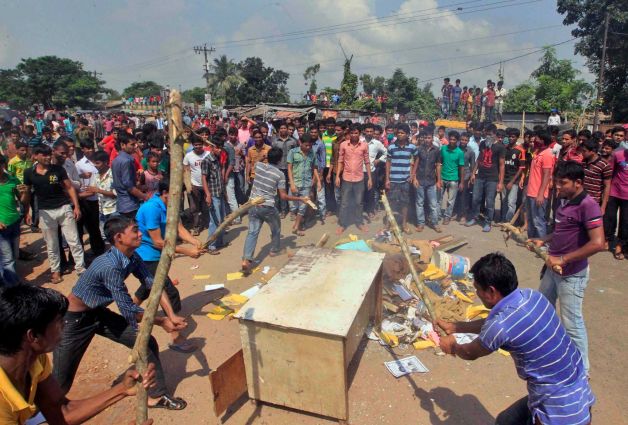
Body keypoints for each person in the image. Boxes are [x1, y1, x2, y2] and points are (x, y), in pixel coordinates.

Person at [438, 253, 595, 425]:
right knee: (505, 420)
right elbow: (492, 323)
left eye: (478, 289)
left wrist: (452, 346)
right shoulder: (532, 296)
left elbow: (470, 352)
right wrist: (455, 327)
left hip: (558, 407)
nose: (477, 293)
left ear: (491, 291)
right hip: (578, 386)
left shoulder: (501, 325)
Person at [52, 216, 187, 411]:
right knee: (60, 382)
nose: (140, 234)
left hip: (97, 313)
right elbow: (129, 309)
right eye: (135, 230)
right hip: (74, 321)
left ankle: (157, 395)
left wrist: (171, 316)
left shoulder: (133, 256)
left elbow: (153, 284)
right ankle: (31, 412)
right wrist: (161, 321)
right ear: (119, 238)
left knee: (146, 343)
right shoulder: (108, 266)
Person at [0, 285, 157, 425]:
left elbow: (62, 412)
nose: (64, 324)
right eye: (58, 321)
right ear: (33, 336)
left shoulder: (35, 359)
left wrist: (123, 389)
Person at [528, 161, 605, 374]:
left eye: (562, 182)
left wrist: (563, 259)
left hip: (571, 274)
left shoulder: (588, 205)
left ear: (578, 183)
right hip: (552, 269)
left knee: (572, 323)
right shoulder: (565, 201)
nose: (557, 186)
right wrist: (543, 240)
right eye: (556, 181)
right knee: (543, 309)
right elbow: (563, 230)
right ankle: (549, 351)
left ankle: (582, 370)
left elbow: (598, 243)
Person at [134, 179, 203, 353]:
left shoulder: (171, 206)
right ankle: (176, 338)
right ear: (164, 193)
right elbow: (157, 242)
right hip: (145, 257)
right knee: (169, 292)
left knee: (148, 286)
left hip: (158, 256)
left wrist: (194, 241)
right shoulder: (152, 208)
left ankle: (130, 313)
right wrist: (186, 251)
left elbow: (180, 228)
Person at [23, 145, 85, 284]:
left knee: (74, 241)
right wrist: (27, 212)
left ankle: (81, 268)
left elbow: (69, 187)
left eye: (49, 155)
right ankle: (55, 271)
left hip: (64, 207)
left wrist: (76, 206)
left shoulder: (58, 170)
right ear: (35, 156)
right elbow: (27, 194)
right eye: (44, 155)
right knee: (52, 244)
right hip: (45, 212)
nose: (47, 158)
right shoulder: (29, 173)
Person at [241, 147, 309, 273]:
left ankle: (246, 259)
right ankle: (274, 250)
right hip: (267, 207)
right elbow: (283, 196)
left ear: (268, 157)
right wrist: (300, 199)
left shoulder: (259, 166)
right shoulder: (280, 175)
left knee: (252, 232)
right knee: (276, 228)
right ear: (280, 160)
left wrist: (263, 156)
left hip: (252, 205)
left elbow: (255, 161)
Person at [467, 124, 505, 232]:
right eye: (486, 134)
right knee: (475, 198)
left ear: (495, 134)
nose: (488, 136)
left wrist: (500, 182)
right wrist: (473, 173)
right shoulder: (483, 144)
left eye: (490, 134)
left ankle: (488, 222)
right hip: (480, 176)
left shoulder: (500, 147)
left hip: (492, 179)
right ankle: (474, 217)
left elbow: (502, 165)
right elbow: (479, 159)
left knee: (489, 202)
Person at [336, 124, 372, 235]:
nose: (354, 135)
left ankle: (359, 223)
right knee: (344, 203)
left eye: (356, 133)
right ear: (349, 134)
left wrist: (370, 178)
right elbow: (340, 161)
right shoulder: (343, 145)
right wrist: (337, 176)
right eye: (352, 133)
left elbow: (367, 162)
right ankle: (343, 224)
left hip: (359, 179)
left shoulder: (364, 146)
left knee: (359, 203)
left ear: (359, 134)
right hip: (346, 178)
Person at [0, 155, 28, 287]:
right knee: (7, 259)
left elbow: (23, 201)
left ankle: (8, 282)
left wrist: (25, 193)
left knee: (14, 255)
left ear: (3, 165)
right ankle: (13, 288)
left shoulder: (13, 180)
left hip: (14, 222)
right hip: (2, 227)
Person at [75, 141, 105, 257]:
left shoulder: (99, 160)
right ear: (82, 149)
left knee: (99, 225)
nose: (90, 150)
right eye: (87, 148)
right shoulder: (79, 165)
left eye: (91, 147)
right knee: (92, 226)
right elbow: (76, 182)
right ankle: (96, 250)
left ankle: (100, 248)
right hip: (88, 199)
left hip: (101, 197)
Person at [287, 134, 320, 236]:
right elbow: (289, 168)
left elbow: (314, 168)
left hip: (306, 184)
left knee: (303, 206)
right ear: (300, 143)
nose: (308, 147)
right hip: (295, 183)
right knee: (293, 206)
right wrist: (292, 184)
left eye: (310, 145)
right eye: (306, 145)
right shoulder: (292, 152)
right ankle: (299, 221)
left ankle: (296, 226)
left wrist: (317, 181)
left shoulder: (312, 153)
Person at [525, 132, 555, 239]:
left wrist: (541, 194)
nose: (534, 141)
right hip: (531, 192)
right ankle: (531, 240)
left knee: (538, 220)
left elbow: (547, 175)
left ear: (543, 140)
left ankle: (541, 243)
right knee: (531, 219)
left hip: (538, 194)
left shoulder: (547, 154)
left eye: (536, 139)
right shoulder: (538, 152)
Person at [411, 130, 440, 233]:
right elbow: (415, 164)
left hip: (431, 181)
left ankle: (435, 223)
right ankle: (420, 223)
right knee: (419, 203)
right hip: (420, 180)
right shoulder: (419, 149)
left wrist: (438, 181)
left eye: (429, 138)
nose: (427, 140)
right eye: (425, 138)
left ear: (432, 138)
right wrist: (414, 178)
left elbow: (438, 165)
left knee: (433, 204)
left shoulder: (436, 150)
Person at [112, 133, 147, 218]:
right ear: (123, 145)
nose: (135, 146)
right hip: (130, 205)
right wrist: (145, 197)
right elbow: (129, 187)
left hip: (122, 203)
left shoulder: (116, 160)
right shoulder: (127, 161)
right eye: (132, 144)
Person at [202, 139, 228, 254]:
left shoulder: (217, 158)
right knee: (214, 220)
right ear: (212, 147)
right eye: (217, 147)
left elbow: (219, 177)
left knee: (221, 219)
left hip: (220, 192)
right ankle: (211, 245)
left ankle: (219, 242)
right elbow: (203, 178)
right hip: (213, 194)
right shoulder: (207, 161)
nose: (219, 150)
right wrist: (208, 195)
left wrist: (225, 192)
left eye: (220, 147)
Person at [604, 141, 628, 260]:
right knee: (610, 218)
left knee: (625, 222)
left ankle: (620, 245)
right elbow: (609, 173)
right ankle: (607, 239)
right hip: (614, 192)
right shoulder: (618, 155)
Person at [271, 122, 298, 219]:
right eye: (281, 128)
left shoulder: (293, 141)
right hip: (278, 168)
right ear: (279, 130)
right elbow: (273, 155)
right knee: (280, 190)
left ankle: (292, 210)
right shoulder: (275, 141)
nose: (283, 130)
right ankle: (283, 210)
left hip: (290, 169)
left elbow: (296, 154)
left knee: (291, 190)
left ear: (287, 129)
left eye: (284, 128)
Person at [183, 137, 209, 235]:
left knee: (205, 206)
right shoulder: (188, 156)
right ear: (192, 145)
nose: (198, 146)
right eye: (195, 145)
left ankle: (207, 223)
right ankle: (196, 226)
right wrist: (189, 185)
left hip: (206, 185)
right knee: (194, 208)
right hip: (194, 185)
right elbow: (186, 171)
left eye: (199, 144)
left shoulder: (208, 154)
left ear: (203, 144)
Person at [439, 131, 464, 225]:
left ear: (457, 140)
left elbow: (461, 168)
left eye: (454, 139)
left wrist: (462, 182)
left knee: (450, 201)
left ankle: (447, 216)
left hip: (453, 179)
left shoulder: (460, 152)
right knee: (439, 198)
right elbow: (440, 163)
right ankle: (437, 215)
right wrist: (438, 178)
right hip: (442, 177)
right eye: (450, 139)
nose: (452, 141)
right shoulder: (443, 149)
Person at [500, 128, 525, 223]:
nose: (510, 138)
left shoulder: (520, 151)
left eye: (513, 137)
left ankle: (508, 221)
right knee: (504, 201)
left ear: (517, 138)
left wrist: (512, 181)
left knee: (511, 202)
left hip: (513, 180)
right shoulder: (504, 149)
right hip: (504, 179)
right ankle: (503, 220)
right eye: (509, 136)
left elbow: (521, 168)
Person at [362, 123, 387, 219]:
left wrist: (379, 160)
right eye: (367, 131)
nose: (369, 133)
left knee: (370, 192)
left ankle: (370, 210)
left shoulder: (377, 143)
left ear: (373, 132)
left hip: (371, 171)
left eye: (371, 131)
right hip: (359, 171)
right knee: (360, 192)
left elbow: (386, 152)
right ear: (364, 131)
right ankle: (361, 210)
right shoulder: (360, 141)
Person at [455, 132, 475, 223]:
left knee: (464, 196)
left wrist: (471, 176)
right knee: (455, 195)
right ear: (459, 139)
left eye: (465, 140)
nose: (463, 141)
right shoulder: (455, 148)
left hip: (466, 175)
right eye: (462, 139)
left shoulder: (470, 151)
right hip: (455, 174)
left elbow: (472, 165)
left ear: (468, 141)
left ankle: (464, 215)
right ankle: (456, 212)